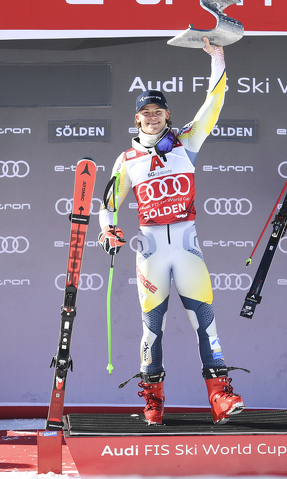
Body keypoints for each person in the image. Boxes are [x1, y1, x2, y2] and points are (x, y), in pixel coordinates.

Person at [97, 37, 245, 425]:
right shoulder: (127, 160)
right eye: (145, 112)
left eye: (158, 111)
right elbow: (108, 206)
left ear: (167, 114)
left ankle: (220, 397)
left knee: (206, 322)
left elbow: (213, 104)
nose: (152, 116)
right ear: (136, 119)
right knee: (152, 330)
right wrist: (108, 230)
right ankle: (153, 401)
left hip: (186, 245)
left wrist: (217, 58)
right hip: (150, 251)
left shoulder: (187, 142)